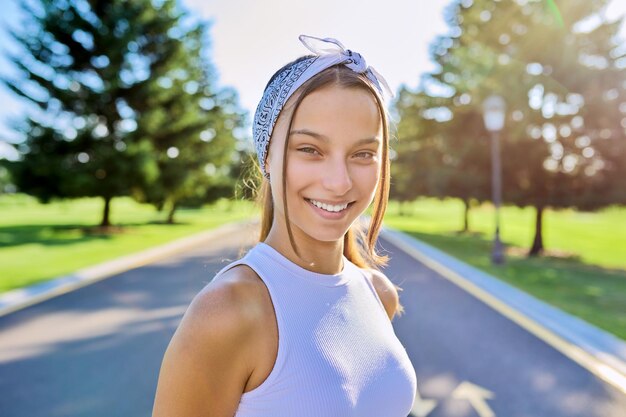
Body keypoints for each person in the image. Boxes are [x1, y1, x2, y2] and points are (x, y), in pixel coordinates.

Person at [152, 34, 417, 417]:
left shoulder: (380, 294)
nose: (339, 181)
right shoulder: (228, 311)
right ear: (266, 157)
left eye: (363, 153)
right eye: (310, 149)